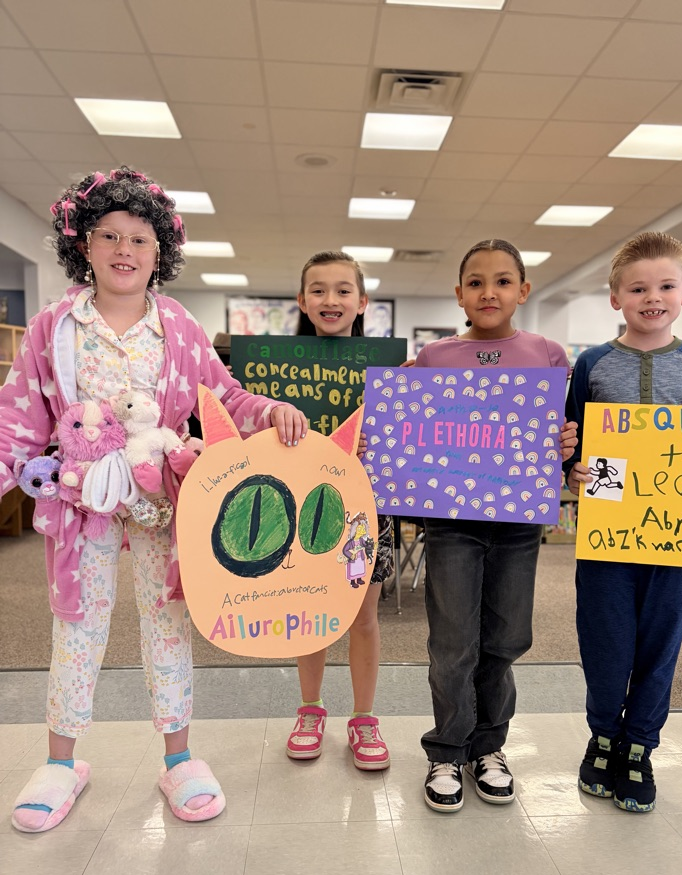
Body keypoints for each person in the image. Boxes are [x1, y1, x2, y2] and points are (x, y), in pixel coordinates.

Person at [0, 166, 307, 832]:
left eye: (140, 239)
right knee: (77, 627)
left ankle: (179, 757)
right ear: (82, 243)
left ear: (159, 251)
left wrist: (270, 409)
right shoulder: (56, 327)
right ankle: (60, 761)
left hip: (162, 501)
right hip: (82, 507)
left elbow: (223, 396)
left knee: (167, 624)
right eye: (108, 234)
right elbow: (18, 419)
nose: (123, 249)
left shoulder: (177, 326)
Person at [564, 231, 682, 813]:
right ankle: (603, 737)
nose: (651, 297)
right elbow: (573, 441)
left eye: (664, 286)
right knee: (605, 640)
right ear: (616, 298)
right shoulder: (593, 363)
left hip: (678, 536)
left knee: (662, 644)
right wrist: (573, 464)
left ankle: (639, 748)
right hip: (608, 523)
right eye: (638, 288)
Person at [413, 238, 578, 812]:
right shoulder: (433, 359)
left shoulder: (549, 355)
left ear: (523, 291)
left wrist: (564, 444)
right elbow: (413, 429)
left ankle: (489, 746)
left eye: (503, 281)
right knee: (453, 640)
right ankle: (446, 749)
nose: (490, 292)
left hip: (516, 522)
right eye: (477, 282)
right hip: (451, 521)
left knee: (506, 637)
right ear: (459, 294)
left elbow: (561, 438)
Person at [285, 250, 393, 770]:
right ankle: (310, 709)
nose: (332, 300)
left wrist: (386, 437)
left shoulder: (388, 367)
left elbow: (407, 439)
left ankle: (364, 717)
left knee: (363, 617)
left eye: (343, 290)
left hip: (368, 507)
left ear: (362, 301)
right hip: (305, 505)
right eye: (320, 290)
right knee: (309, 611)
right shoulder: (274, 367)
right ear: (302, 301)